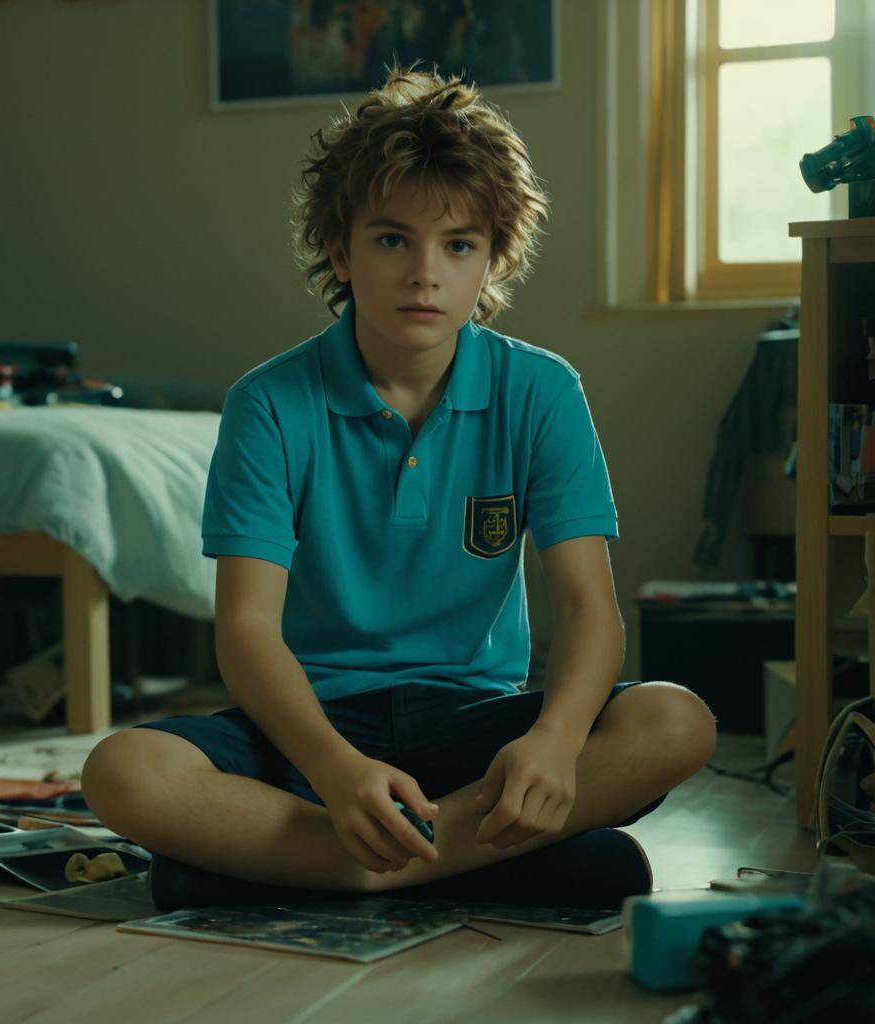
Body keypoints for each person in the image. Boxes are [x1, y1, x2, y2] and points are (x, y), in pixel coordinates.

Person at [82, 65, 717, 910]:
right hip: (314, 732)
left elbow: (590, 611)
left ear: (494, 257)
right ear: (339, 248)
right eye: (392, 240)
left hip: (475, 729)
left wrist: (556, 744)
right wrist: (337, 771)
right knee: (124, 771)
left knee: (676, 720)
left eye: (458, 245)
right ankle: (492, 859)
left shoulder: (543, 390)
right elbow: (244, 630)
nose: (426, 273)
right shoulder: (268, 403)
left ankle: (309, 868)